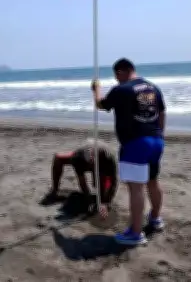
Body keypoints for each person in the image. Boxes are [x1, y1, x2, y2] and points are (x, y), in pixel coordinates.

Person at [93, 58, 166, 246]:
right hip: (156, 140)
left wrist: (96, 90)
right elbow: (162, 112)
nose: (117, 80)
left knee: (136, 187)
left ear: (121, 72)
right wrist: (160, 135)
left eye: (116, 76)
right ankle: (156, 218)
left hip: (135, 143)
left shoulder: (122, 89)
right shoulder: (152, 87)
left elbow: (101, 104)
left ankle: (135, 233)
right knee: (153, 181)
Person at [47, 143, 118, 216]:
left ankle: (101, 195)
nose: (92, 166)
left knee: (99, 186)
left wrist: (106, 201)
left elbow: (113, 182)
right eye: (90, 164)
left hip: (102, 163)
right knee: (57, 159)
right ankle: (54, 191)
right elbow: (82, 182)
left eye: (93, 164)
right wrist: (89, 201)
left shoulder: (108, 159)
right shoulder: (78, 158)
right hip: (82, 155)